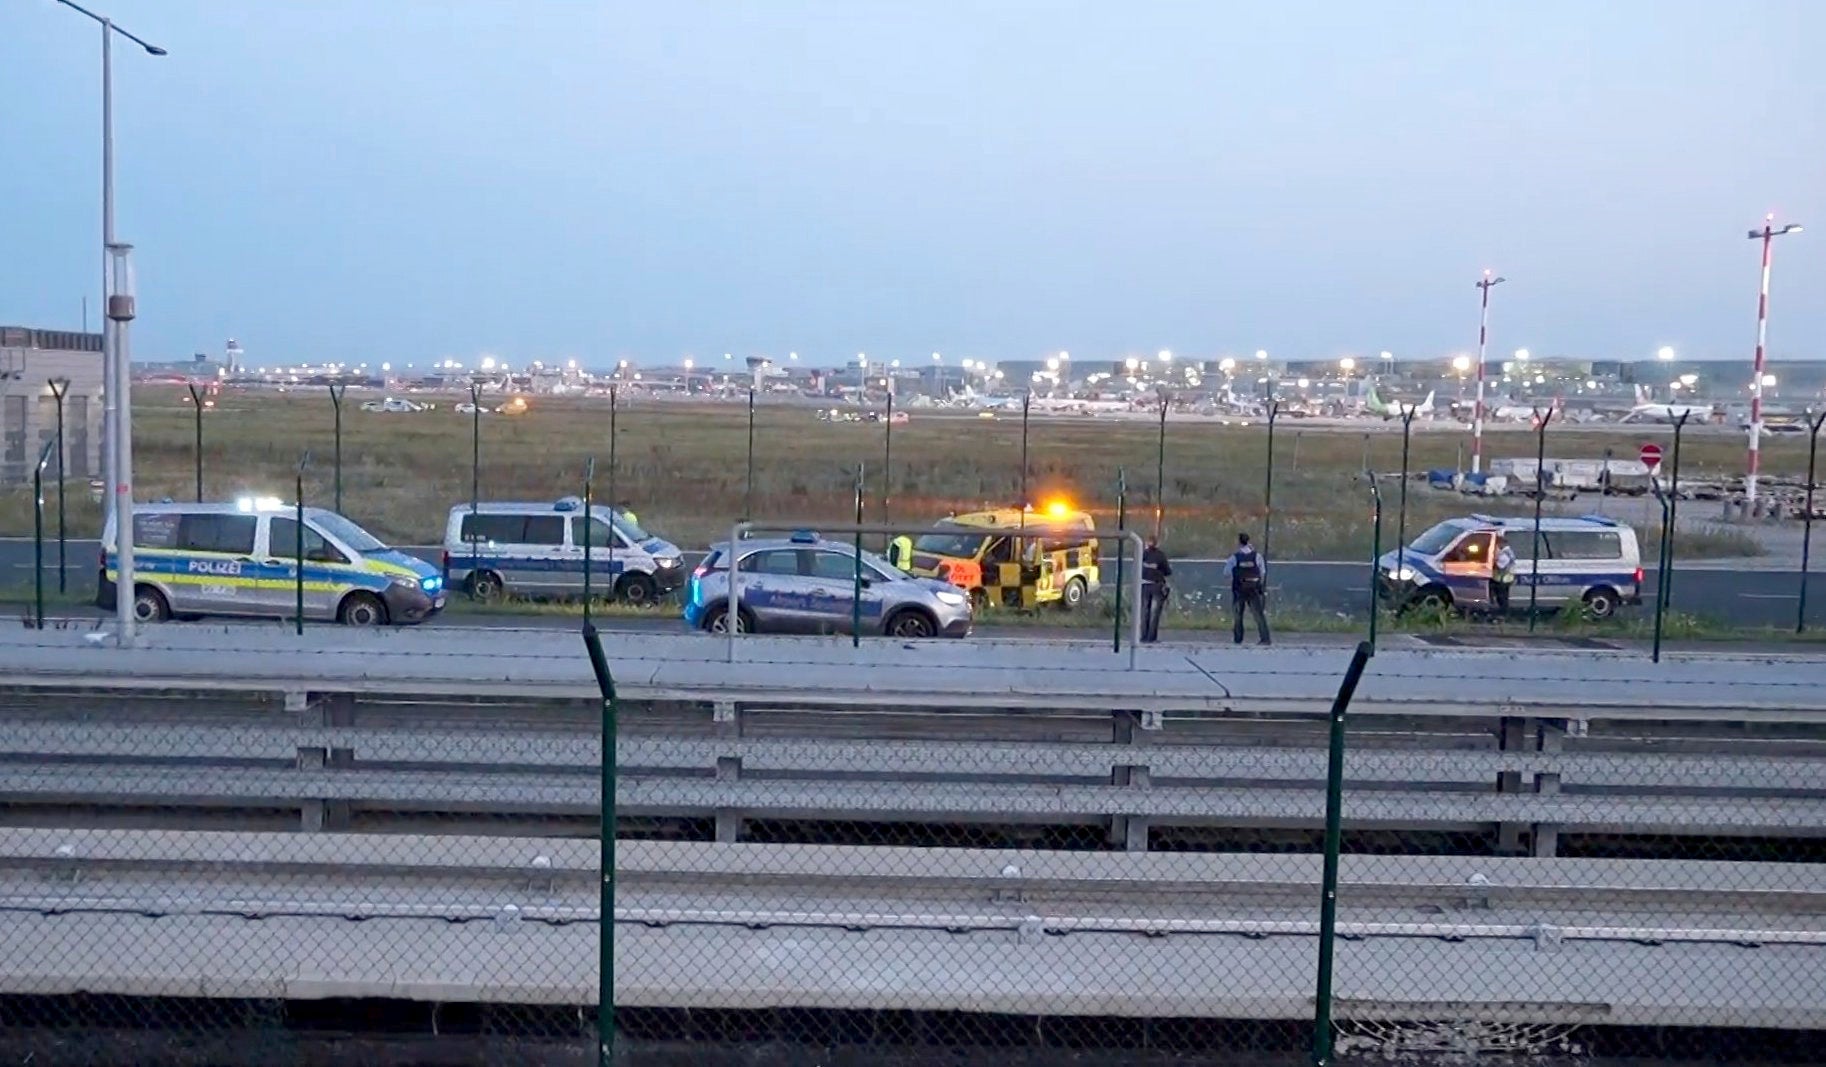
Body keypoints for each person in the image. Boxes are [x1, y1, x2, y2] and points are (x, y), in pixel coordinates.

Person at [1227, 532, 1271, 646]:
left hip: (1239, 589)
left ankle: (1238, 639)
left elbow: (1226, 572)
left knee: (1238, 616)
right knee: (1259, 616)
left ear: (1239, 542)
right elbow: (1263, 572)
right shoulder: (1257, 556)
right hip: (1254, 589)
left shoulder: (1234, 557)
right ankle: (1265, 638)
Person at [1140, 537, 1172, 643]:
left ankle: (1143, 636)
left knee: (1145, 611)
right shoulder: (1160, 555)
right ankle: (1151, 637)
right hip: (1157, 585)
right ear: (1157, 544)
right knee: (1155, 612)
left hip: (1144, 584)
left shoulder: (1142, 554)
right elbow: (1167, 571)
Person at [1491, 535, 1516, 614]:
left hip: (1503, 579)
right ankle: (1503, 612)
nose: (1497, 545)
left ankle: (1503, 613)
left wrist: (1494, 562)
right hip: (1506, 578)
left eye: (1498, 543)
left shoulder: (1505, 553)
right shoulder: (1508, 552)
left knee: (1502, 597)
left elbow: (1501, 566)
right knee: (1502, 597)